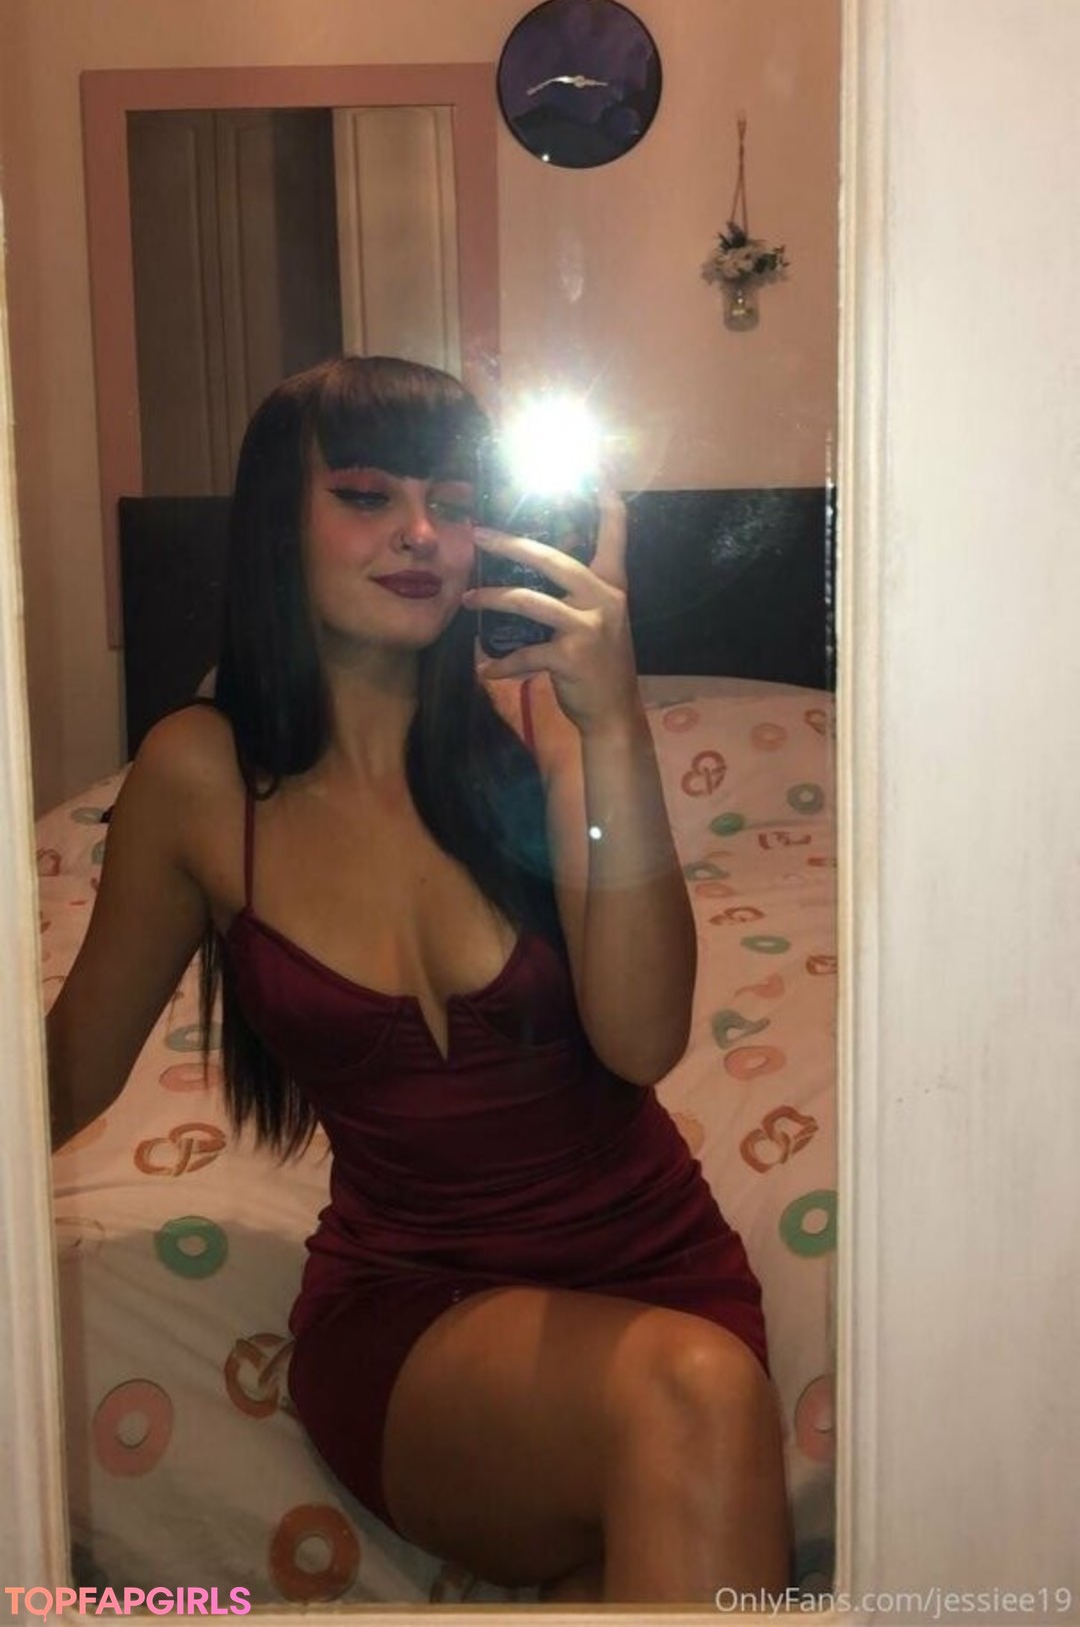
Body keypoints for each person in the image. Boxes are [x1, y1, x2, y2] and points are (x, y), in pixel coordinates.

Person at [47, 355, 790, 1605]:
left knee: (651, 1529)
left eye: (454, 499)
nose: (422, 533)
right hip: (416, 1317)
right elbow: (65, 1070)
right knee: (695, 1399)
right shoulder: (199, 777)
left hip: (661, 1267)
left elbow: (644, 1035)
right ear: (277, 523)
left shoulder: (546, 725)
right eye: (366, 494)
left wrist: (614, 722)